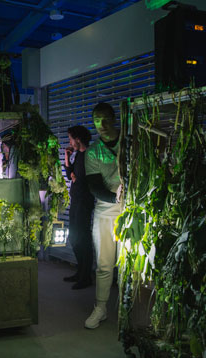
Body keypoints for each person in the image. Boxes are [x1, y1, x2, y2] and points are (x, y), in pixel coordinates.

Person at [83, 102, 123, 329]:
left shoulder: (130, 142)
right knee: (104, 264)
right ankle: (101, 307)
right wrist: (114, 197)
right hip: (105, 212)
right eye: (97, 120)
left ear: (114, 118)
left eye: (105, 119)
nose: (102, 125)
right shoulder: (93, 152)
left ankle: (131, 307)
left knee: (132, 266)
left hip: (132, 211)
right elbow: (94, 186)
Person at [64, 125, 94, 290]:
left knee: (83, 239)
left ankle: (85, 276)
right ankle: (80, 271)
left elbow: (84, 179)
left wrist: (76, 178)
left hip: (84, 201)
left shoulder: (88, 155)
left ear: (77, 139)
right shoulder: (79, 155)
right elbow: (71, 175)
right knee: (75, 238)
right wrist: (67, 158)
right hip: (76, 200)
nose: (69, 142)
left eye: (70, 139)